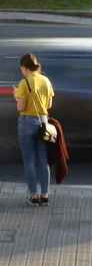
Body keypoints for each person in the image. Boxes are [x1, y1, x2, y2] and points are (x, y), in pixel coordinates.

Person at [13, 53, 55, 207]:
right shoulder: (46, 80)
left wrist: (17, 99)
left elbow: (21, 107)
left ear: (24, 67)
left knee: (29, 160)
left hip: (26, 123)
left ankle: (33, 196)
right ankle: (45, 196)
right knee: (43, 160)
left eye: (21, 68)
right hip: (43, 123)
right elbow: (49, 104)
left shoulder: (25, 83)